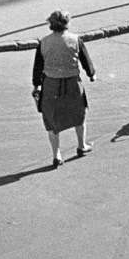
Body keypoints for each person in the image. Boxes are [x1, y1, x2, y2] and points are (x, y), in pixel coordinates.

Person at [32, 9, 96, 168]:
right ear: (67, 23)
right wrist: (91, 74)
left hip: (51, 86)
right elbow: (86, 61)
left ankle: (57, 155)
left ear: (51, 24)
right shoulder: (75, 40)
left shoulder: (44, 42)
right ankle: (81, 145)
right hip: (72, 84)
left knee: (52, 120)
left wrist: (36, 85)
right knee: (78, 114)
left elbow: (37, 67)